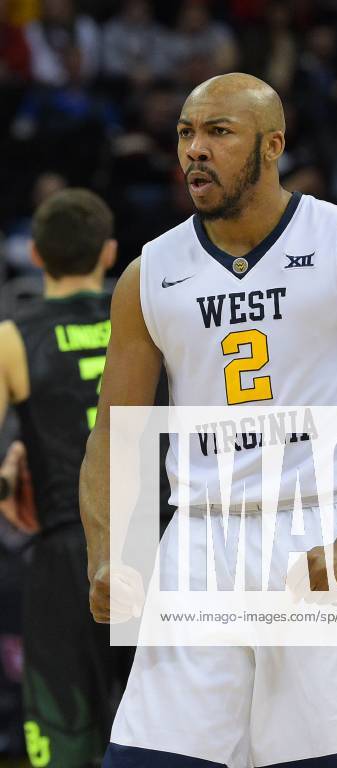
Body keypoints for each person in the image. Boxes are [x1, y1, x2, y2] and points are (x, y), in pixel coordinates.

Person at [80, 73, 337, 768]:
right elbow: (114, 436)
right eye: (186, 133)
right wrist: (107, 553)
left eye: (219, 132)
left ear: (271, 145)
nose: (195, 151)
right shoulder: (148, 273)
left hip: (319, 531)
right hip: (200, 541)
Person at [0, 188, 125, 767]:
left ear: (37, 255)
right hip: (158, 543)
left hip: (65, 550)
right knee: (168, 740)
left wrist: (8, 482)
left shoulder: (12, 335)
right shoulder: (146, 316)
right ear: (109, 253)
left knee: (65, 741)